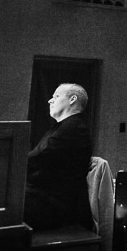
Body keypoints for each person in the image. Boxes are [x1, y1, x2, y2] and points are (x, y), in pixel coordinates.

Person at [24, 83, 93, 230]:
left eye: (56, 96)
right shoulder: (64, 127)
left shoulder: (73, 128)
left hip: (55, 206)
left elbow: (36, 159)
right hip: (45, 198)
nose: (50, 100)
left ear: (72, 99)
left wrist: (10, 167)